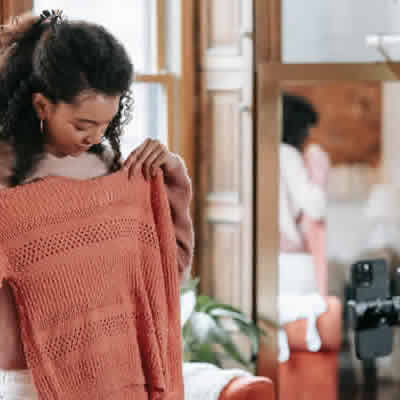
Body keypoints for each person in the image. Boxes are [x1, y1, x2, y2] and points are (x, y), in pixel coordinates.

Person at [0, 10, 194, 399]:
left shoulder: (113, 171)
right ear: (42, 106)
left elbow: (165, 276)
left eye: (106, 124)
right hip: (35, 385)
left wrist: (171, 179)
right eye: (82, 124)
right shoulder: (6, 182)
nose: (95, 136)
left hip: (124, 381)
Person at [278, 92, 331, 362]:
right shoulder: (287, 154)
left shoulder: (260, 151)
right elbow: (315, 207)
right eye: (307, 128)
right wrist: (319, 167)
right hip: (290, 263)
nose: (309, 136)